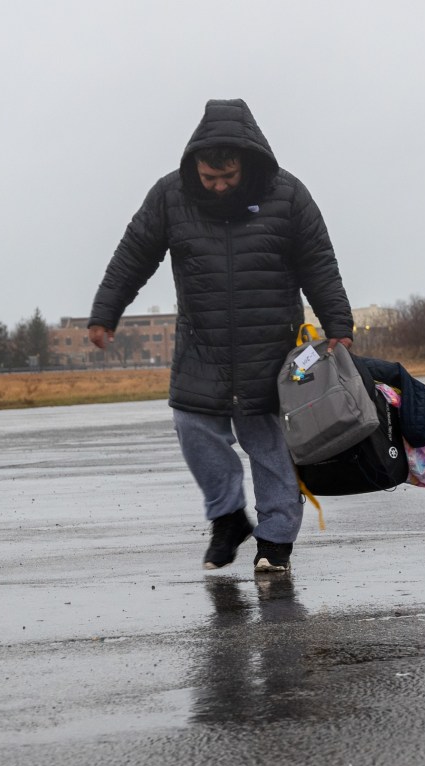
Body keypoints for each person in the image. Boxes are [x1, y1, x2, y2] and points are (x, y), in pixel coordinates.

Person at [87, 99, 354, 574]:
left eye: (226, 177)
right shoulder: (170, 196)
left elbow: (319, 262)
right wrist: (105, 314)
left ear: (246, 164)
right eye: (209, 178)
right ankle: (228, 516)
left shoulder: (288, 195)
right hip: (201, 347)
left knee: (268, 446)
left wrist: (340, 327)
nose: (217, 186)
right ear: (195, 166)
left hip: (270, 349)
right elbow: (132, 256)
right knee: (194, 430)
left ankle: (275, 542)